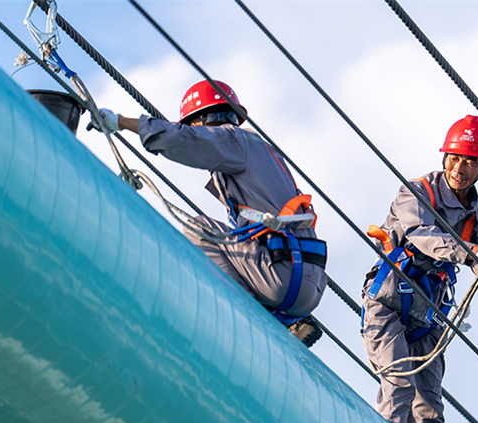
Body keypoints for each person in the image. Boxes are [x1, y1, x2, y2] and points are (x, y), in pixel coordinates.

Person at [93, 80, 327, 346]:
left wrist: (120, 122)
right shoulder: (261, 153)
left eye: (192, 125)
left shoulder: (233, 139)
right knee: (239, 238)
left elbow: (181, 139)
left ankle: (252, 320)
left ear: (202, 121)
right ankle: (293, 320)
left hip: (281, 273)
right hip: (310, 284)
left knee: (199, 229)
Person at [361, 115, 478, 423]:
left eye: (470, 161)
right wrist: (473, 253)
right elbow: (422, 235)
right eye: (454, 158)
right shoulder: (417, 191)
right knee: (398, 386)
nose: (459, 168)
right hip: (388, 303)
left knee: (429, 409)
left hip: (428, 315)